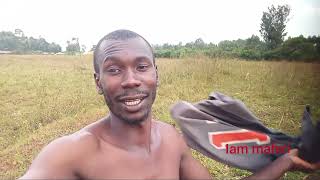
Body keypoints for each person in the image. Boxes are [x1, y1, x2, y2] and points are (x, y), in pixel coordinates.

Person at [21, 30, 320, 179]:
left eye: (141, 67)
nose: (130, 80)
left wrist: (286, 161)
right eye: (114, 70)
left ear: (155, 74)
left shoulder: (170, 139)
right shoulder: (72, 152)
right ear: (98, 82)